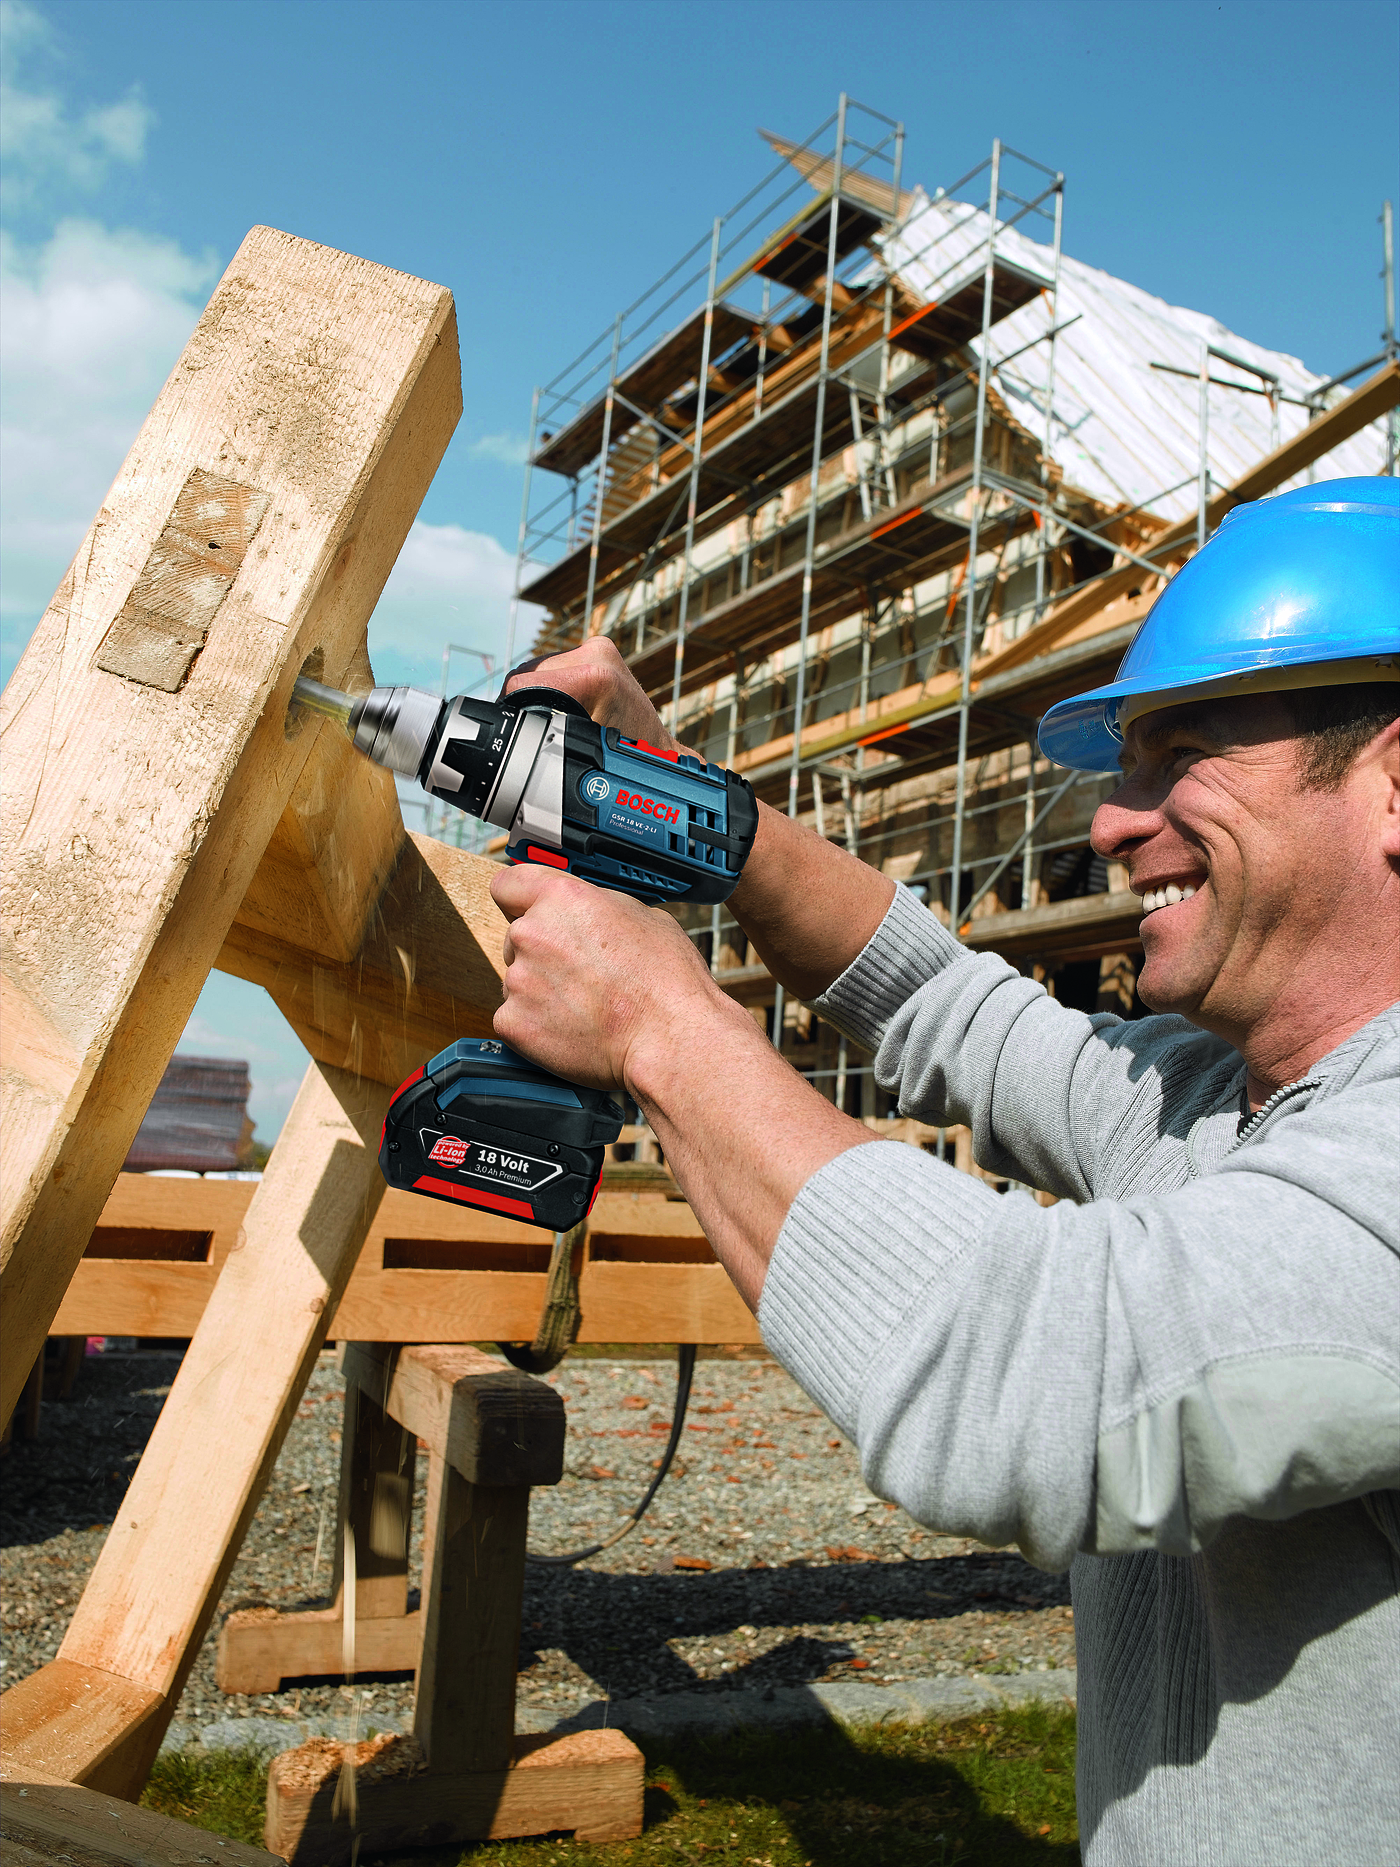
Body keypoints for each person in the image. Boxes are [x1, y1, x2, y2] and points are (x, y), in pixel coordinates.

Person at [489, 476, 1400, 1862]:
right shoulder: (1206, 1101)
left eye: (1181, 755)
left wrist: (657, 1026)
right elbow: (938, 1001)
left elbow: (1024, 1375)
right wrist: (687, 814)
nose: (1110, 820)